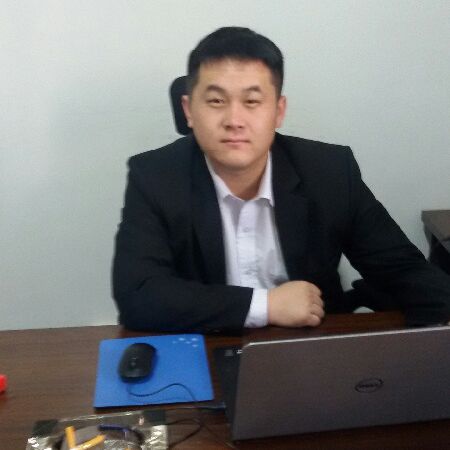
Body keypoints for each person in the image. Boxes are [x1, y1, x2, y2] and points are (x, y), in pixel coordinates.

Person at [112, 27, 450, 333]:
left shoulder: (330, 172)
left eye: (252, 101)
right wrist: (266, 305)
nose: (234, 120)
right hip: (207, 347)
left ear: (278, 111)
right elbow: (138, 295)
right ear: (189, 110)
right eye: (216, 101)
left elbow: (403, 270)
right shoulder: (154, 177)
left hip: (309, 347)